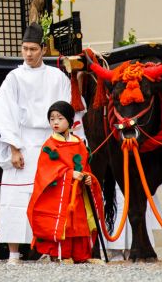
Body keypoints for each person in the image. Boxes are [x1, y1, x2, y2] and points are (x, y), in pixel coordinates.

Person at [0, 22, 72, 264]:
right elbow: (5, 114)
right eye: (25, 48)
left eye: (33, 49)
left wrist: (59, 145)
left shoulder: (57, 77)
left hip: (49, 143)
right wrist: (13, 147)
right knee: (15, 198)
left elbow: (66, 111)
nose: (28, 54)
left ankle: (49, 248)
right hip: (22, 141)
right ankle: (14, 252)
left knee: (49, 198)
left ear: (43, 49)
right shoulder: (14, 77)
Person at [27, 101, 104, 265]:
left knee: (80, 223)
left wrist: (87, 177)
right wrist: (69, 174)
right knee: (64, 223)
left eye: (60, 118)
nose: (55, 122)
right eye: (52, 118)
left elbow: (85, 166)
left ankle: (81, 255)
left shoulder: (79, 143)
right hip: (59, 195)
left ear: (69, 120)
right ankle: (60, 254)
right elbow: (46, 169)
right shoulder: (50, 145)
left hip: (77, 193)